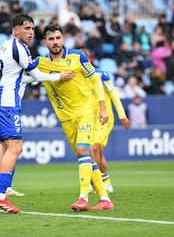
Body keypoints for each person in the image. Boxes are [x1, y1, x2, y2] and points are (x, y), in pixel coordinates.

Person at [0, 14, 74, 214]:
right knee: (16, 148)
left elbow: (18, 78)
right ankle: (0, 195)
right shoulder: (19, 47)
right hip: (6, 103)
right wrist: (57, 76)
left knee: (4, 151)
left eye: (32, 28)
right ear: (16, 29)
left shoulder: (4, 46)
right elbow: (34, 74)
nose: (31, 32)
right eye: (27, 28)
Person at [31, 24, 114, 211]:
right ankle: (105, 199)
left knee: (83, 150)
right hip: (66, 118)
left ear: (63, 39)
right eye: (51, 39)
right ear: (44, 42)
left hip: (86, 111)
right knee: (86, 156)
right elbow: (26, 76)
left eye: (58, 38)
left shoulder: (77, 56)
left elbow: (95, 79)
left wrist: (102, 107)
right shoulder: (41, 63)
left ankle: (83, 198)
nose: (55, 42)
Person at [90, 68, 131, 194]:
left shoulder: (101, 74)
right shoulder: (76, 77)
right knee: (97, 151)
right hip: (89, 118)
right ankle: (106, 182)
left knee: (94, 147)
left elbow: (113, 95)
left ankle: (97, 183)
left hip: (105, 118)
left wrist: (122, 116)